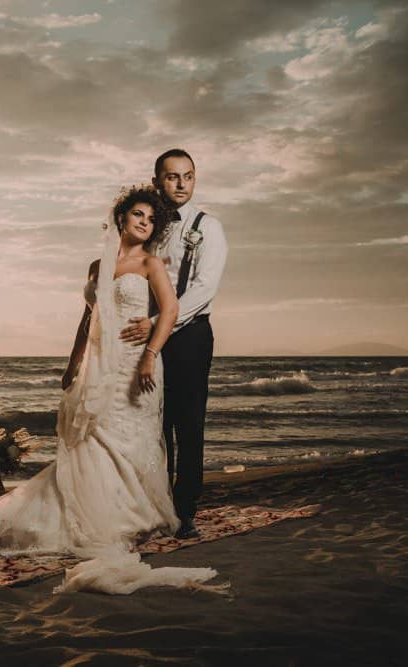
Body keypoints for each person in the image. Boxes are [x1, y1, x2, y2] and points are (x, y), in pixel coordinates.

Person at [0, 186, 219, 595]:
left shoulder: (151, 264)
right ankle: (93, 510)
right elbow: (88, 319)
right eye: (138, 214)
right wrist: (73, 363)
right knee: (91, 438)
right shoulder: (96, 265)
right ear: (121, 217)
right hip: (99, 364)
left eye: (151, 218)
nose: (144, 222)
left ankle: (129, 515)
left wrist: (149, 353)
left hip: (136, 362)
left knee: (129, 440)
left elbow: (171, 310)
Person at [119, 149, 228, 539]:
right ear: (156, 182)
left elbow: (204, 288)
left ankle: (185, 509)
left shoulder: (207, 227)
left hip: (189, 335)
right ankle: (154, 503)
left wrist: (156, 322)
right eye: (172, 177)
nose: (181, 184)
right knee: (151, 422)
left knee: (187, 422)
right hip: (144, 335)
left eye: (188, 176)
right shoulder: (148, 225)